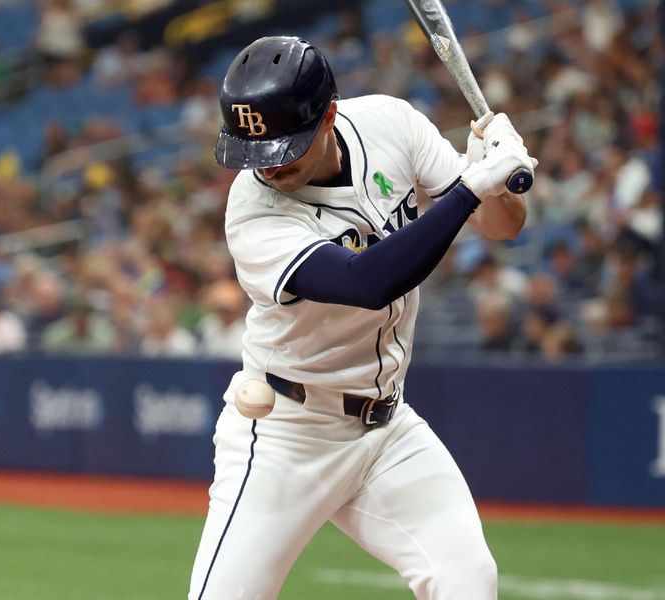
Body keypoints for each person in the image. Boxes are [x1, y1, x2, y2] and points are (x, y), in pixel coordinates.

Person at [188, 37, 536, 600]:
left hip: (386, 429)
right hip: (288, 431)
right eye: (254, 151)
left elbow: (502, 226)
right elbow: (367, 282)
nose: (268, 166)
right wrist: (473, 186)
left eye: (283, 147)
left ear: (328, 115)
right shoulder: (253, 212)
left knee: (467, 580)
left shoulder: (390, 124)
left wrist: (497, 172)